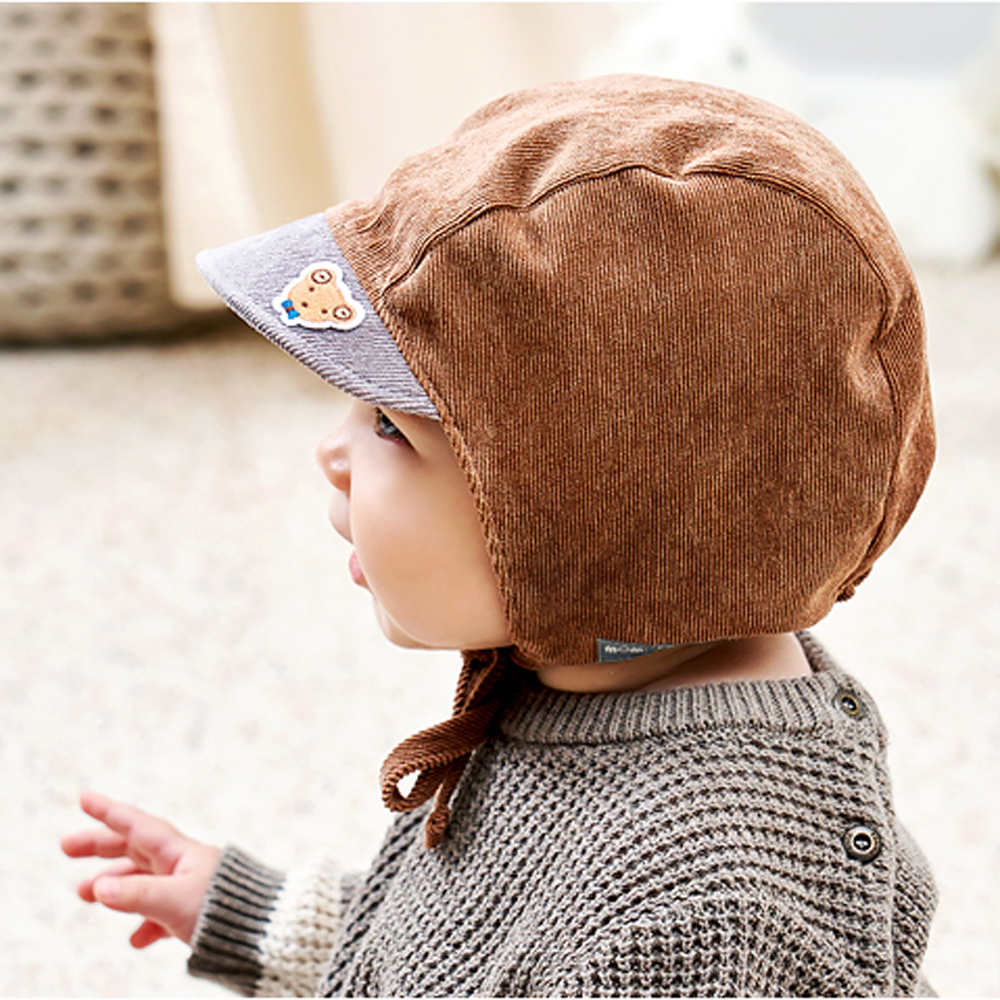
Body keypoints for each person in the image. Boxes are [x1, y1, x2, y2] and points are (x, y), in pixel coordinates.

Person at [61, 75, 938, 996]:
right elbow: (486, 952)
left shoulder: (708, 912)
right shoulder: (593, 663)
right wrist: (270, 919)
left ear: (585, 511)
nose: (332, 451)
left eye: (390, 424)